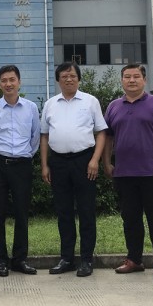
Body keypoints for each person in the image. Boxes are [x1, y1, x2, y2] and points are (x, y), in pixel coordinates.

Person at [102, 64, 153, 279]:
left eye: (136, 76)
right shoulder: (114, 106)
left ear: (144, 80)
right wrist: (106, 162)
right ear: (122, 81)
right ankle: (134, 260)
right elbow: (107, 137)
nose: (131, 80)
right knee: (130, 220)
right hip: (124, 174)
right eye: (127, 76)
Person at [40, 62, 107, 278]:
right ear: (58, 80)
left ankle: (86, 259)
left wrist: (95, 160)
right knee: (64, 212)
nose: (69, 79)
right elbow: (44, 136)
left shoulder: (90, 101)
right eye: (64, 76)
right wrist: (44, 164)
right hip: (58, 162)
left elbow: (101, 132)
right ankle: (67, 258)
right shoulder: (50, 104)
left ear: (79, 79)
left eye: (72, 76)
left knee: (86, 211)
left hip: (84, 160)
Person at [0, 65, 40, 277]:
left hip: (22, 164)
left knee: (21, 213)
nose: (8, 84)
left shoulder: (31, 108)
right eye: (4, 80)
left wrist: (25, 156)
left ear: (19, 82)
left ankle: (19, 260)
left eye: (12, 79)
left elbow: (35, 137)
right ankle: (0, 260)